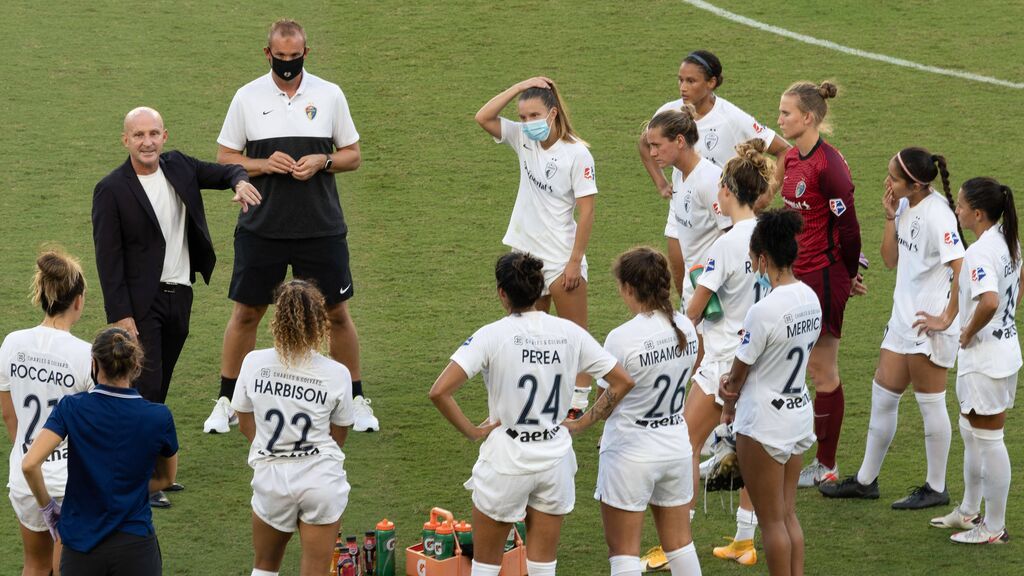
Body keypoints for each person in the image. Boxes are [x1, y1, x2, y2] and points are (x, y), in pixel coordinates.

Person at [213, 18, 378, 435]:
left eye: (295, 56)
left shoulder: (330, 94)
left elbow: (353, 155)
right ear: (267, 54)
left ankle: (355, 399)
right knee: (247, 313)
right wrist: (263, 164)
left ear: (306, 53)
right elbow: (225, 157)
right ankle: (228, 401)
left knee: (336, 314)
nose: (288, 63)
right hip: (261, 226)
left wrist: (323, 161)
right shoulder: (247, 97)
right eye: (280, 57)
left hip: (320, 227)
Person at [92, 106, 259, 507]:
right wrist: (121, 315)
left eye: (153, 134)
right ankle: (139, 483)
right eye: (138, 135)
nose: (147, 142)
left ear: (165, 135)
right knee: (145, 387)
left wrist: (240, 181)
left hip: (179, 295)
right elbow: (107, 257)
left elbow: (225, 171)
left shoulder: (180, 166)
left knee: (159, 385)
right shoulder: (111, 188)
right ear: (125, 140)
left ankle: (151, 471)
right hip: (139, 305)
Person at [429, 252, 635, 576]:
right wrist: (582, 421)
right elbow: (621, 381)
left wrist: (472, 431)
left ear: (502, 293)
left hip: (507, 461)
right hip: (555, 458)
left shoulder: (491, 335)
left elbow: (439, 391)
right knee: (542, 566)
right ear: (540, 288)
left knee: (485, 566)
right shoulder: (570, 332)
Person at [820, 148, 963, 509]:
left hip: (927, 324)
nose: (887, 182)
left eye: (894, 178)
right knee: (883, 395)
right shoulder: (903, 206)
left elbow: (960, 266)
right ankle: (866, 481)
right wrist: (889, 218)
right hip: (903, 318)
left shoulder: (939, 216)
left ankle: (936, 486)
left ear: (915, 185)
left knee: (930, 405)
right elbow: (889, 259)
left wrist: (946, 318)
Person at [474, 76, 598, 418]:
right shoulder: (522, 140)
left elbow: (587, 212)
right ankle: (539, 397)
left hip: (560, 260)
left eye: (533, 116)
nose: (526, 123)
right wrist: (517, 87)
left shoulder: (577, 154)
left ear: (553, 113)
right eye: (522, 116)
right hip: (525, 258)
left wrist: (575, 262)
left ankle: (577, 403)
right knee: (529, 336)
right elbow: (483, 117)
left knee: (574, 336)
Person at [680, 140, 774, 568]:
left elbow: (696, 308)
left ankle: (675, 537)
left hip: (722, 361)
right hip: (762, 358)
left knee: (685, 444)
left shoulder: (727, 243)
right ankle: (743, 539)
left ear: (728, 191)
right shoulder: (768, 236)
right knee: (752, 452)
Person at [22, 327, 178, 575]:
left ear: (94, 363)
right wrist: (128, 490)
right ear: (135, 363)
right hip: (136, 546)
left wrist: (48, 509)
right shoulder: (158, 417)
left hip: (80, 546)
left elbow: (29, 464)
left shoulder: (71, 408)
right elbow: (167, 478)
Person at [637, 50, 789, 296]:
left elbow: (785, 151)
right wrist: (661, 183)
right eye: (680, 80)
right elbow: (645, 143)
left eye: (691, 81)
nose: (683, 87)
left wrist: (766, 196)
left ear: (712, 82)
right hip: (682, 209)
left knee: (719, 289)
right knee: (685, 288)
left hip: (719, 213)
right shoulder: (670, 112)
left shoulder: (731, 117)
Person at [719, 209, 820, 575]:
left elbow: (739, 371)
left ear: (764, 258)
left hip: (764, 421)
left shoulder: (762, 311)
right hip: (797, 413)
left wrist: (727, 394)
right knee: (788, 514)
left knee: (771, 522)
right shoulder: (810, 297)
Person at [231, 280, 355, 575]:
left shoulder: (253, 363)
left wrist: (268, 447)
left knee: (264, 566)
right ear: (318, 321)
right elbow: (339, 434)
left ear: (277, 318)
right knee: (314, 568)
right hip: (319, 477)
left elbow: (244, 421)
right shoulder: (337, 373)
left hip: (271, 477)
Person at [776, 81, 864, 487]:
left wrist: (847, 273)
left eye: (786, 114)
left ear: (807, 117)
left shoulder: (830, 166)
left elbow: (848, 227)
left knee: (821, 369)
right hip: (797, 275)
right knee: (795, 362)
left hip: (825, 274)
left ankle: (826, 465)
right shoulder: (793, 158)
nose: (779, 120)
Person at [595, 247, 702, 576]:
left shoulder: (621, 338)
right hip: (675, 448)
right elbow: (696, 361)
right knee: (680, 545)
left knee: (624, 554)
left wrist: (580, 422)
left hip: (630, 453)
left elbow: (605, 400)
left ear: (629, 288)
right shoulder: (685, 325)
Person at [927, 177, 1021, 544]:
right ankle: (968, 512)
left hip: (986, 360)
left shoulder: (982, 251)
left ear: (978, 214)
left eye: (962, 206)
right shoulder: (1005, 239)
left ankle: (993, 528)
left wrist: (967, 332)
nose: (957, 210)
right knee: (972, 433)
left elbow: (990, 301)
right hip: (1002, 353)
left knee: (989, 439)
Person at [0, 250, 92, 576]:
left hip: (25, 475)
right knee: (66, 569)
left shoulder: (12, 343)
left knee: (35, 566)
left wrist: (29, 453)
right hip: (70, 482)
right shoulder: (85, 355)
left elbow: (9, 414)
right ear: (78, 301)